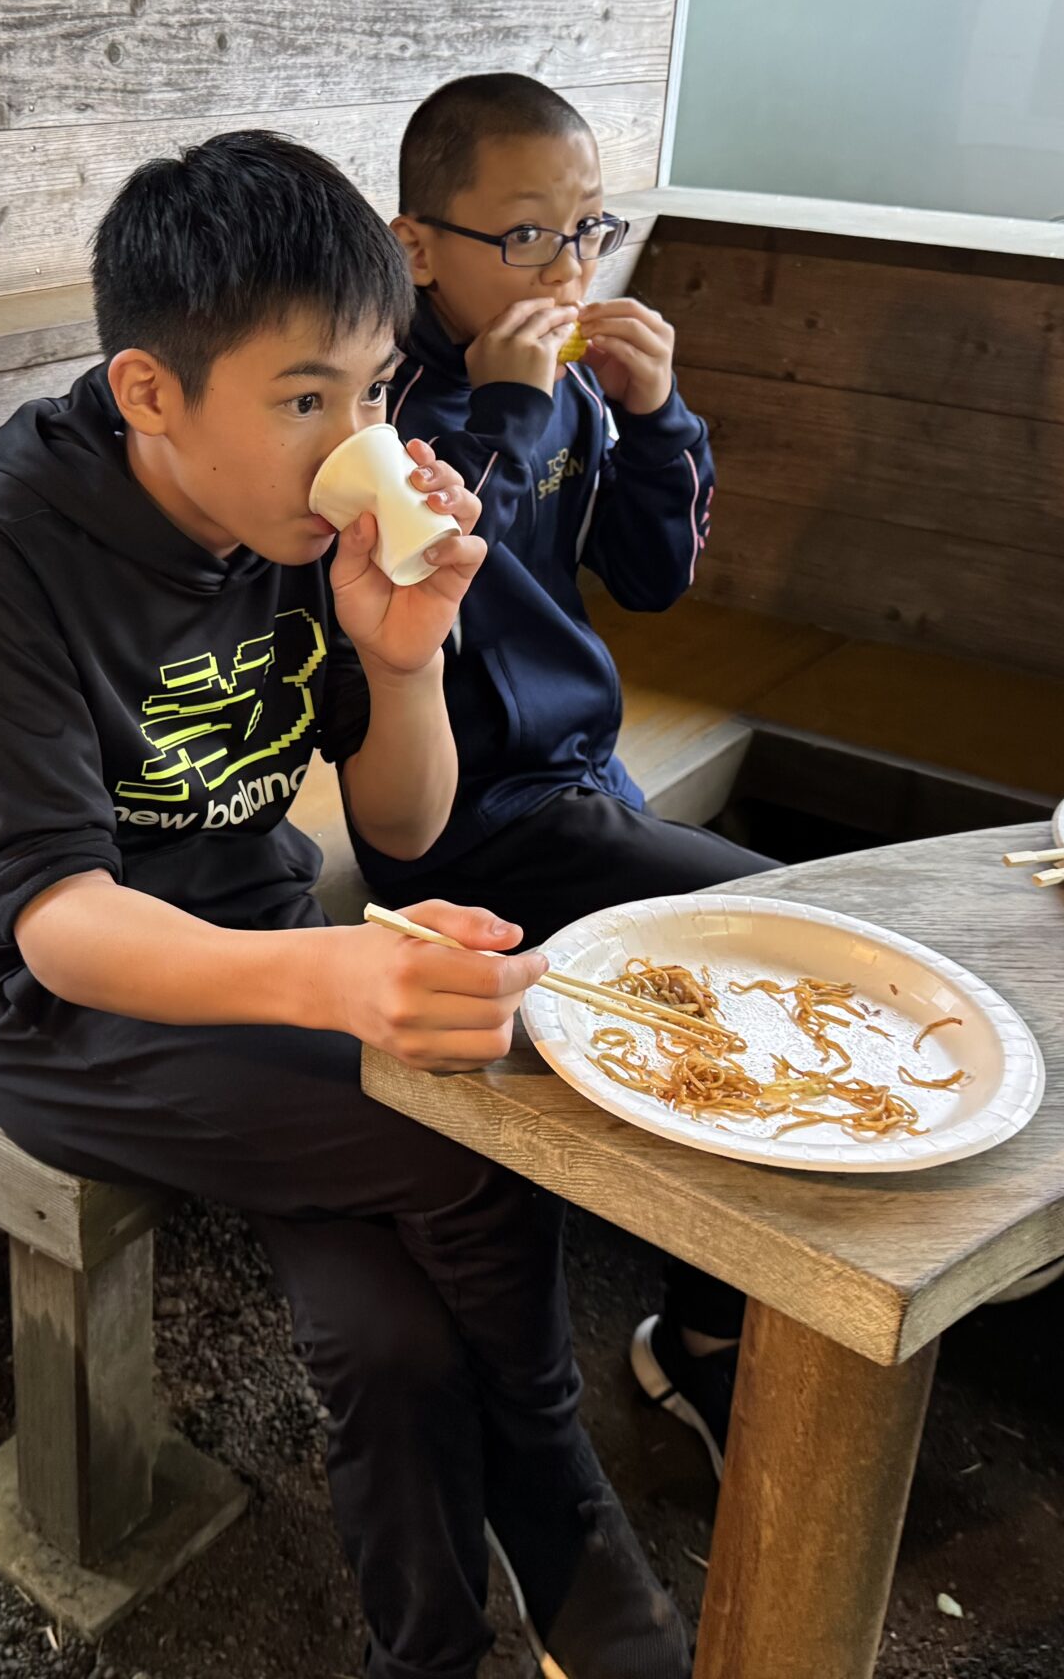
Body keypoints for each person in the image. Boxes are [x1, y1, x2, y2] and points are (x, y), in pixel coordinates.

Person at [0, 129, 691, 1679]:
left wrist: (406, 656)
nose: (355, 439)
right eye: (305, 399)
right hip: (63, 1012)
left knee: (389, 1334)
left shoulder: (308, 537)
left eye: (378, 391)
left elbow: (403, 826)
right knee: (468, 1134)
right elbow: (58, 920)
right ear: (150, 392)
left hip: (255, 951)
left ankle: (429, 1650)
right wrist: (337, 986)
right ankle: (559, 1496)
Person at [370, 73, 774, 1476]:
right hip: (468, 822)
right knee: (774, 925)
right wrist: (513, 405)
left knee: (762, 942)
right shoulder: (388, 404)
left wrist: (659, 420)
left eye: (589, 230)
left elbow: (652, 582)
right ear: (420, 246)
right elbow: (430, 561)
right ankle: (713, 1341)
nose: (567, 271)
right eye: (527, 235)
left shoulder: (573, 388)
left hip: (582, 779)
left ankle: (708, 1319)